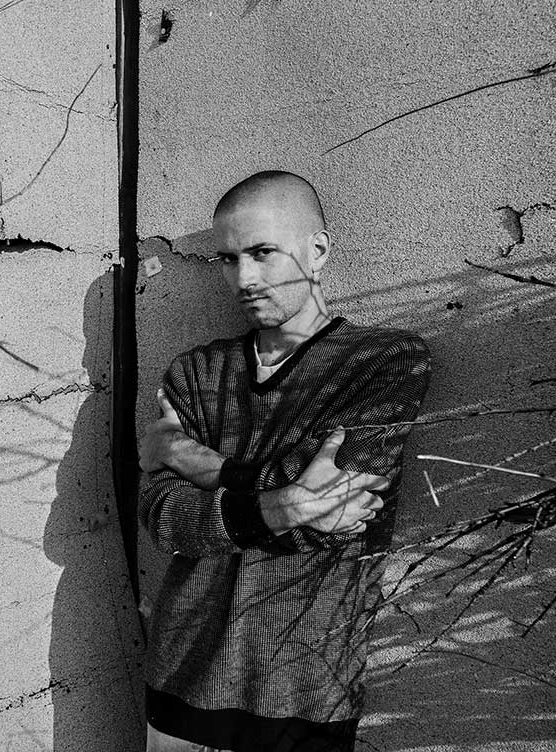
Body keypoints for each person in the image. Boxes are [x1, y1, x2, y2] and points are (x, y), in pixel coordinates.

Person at [138, 171, 431, 752]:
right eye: (228, 259)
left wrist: (199, 463)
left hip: (304, 695)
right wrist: (285, 506)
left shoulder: (386, 361)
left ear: (317, 250)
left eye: (262, 253)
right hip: (179, 683)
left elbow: (340, 513)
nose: (243, 278)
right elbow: (163, 516)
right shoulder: (196, 373)